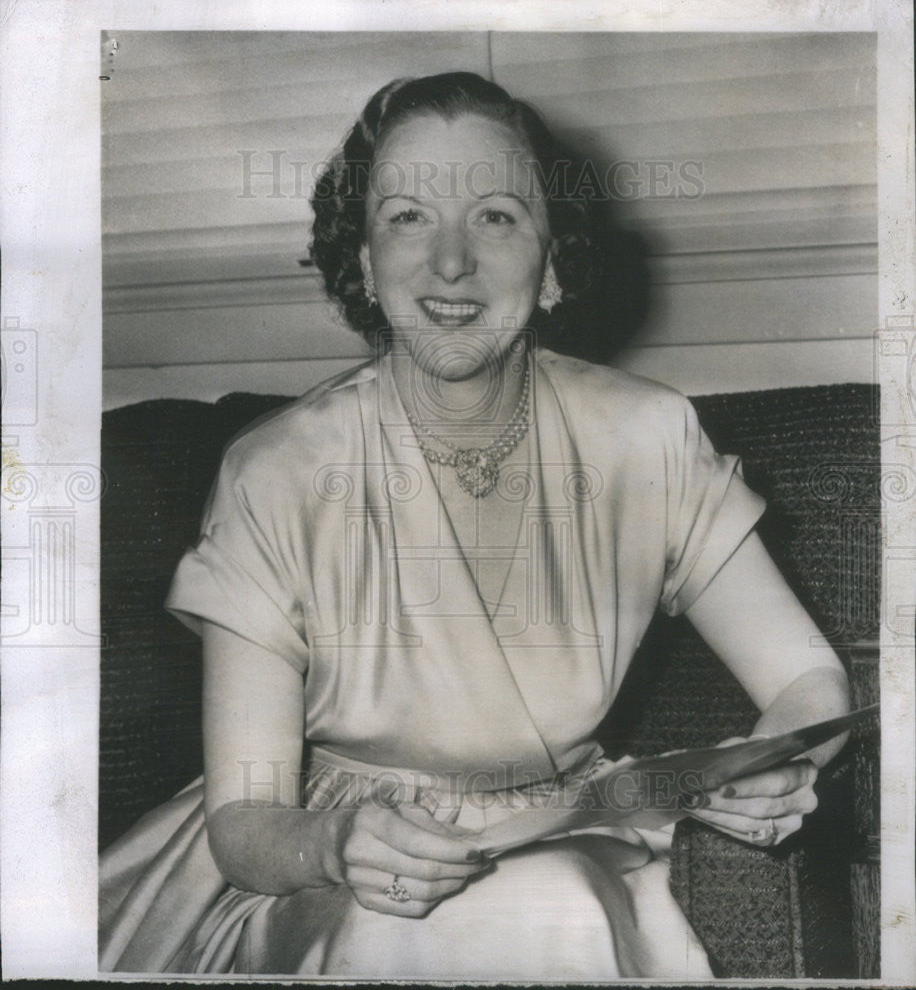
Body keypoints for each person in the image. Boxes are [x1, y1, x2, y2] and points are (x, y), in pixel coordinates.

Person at [99, 71, 850, 979]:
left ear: (555, 258)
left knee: (555, 903)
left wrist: (771, 767)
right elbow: (248, 822)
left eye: (495, 216)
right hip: (323, 869)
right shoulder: (276, 469)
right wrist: (336, 845)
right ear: (365, 262)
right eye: (408, 217)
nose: (450, 263)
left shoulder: (647, 435)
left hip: (559, 835)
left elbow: (807, 676)